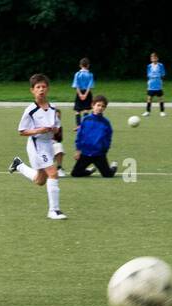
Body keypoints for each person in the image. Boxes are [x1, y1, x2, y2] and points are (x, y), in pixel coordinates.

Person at [7, 74, 67, 219]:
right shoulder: (30, 110)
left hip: (48, 145)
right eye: (38, 87)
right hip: (36, 145)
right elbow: (22, 131)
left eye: (43, 87)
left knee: (40, 181)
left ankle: (19, 165)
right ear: (32, 90)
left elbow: (58, 128)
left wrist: (55, 130)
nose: (41, 90)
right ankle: (54, 210)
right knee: (53, 173)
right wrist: (39, 130)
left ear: (48, 89)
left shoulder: (53, 109)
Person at [69, 96, 117, 177]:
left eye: (103, 106)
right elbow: (80, 136)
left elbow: (108, 138)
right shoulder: (86, 119)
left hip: (99, 154)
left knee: (107, 175)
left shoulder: (106, 122)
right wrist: (78, 150)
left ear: (105, 108)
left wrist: (104, 149)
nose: (100, 108)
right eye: (98, 105)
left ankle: (113, 167)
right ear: (93, 105)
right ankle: (89, 171)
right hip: (85, 153)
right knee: (75, 173)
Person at [71, 58, 94, 129]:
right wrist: (85, 94)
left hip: (79, 92)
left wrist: (80, 94)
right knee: (86, 109)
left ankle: (78, 126)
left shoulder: (77, 74)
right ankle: (85, 126)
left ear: (80, 65)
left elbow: (76, 85)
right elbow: (89, 86)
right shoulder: (90, 75)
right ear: (88, 65)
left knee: (78, 110)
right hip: (87, 93)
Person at [144, 52, 166, 116]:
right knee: (149, 98)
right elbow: (148, 74)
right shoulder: (149, 66)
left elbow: (163, 74)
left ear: (157, 58)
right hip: (151, 84)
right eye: (152, 57)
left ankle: (162, 111)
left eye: (155, 57)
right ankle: (148, 111)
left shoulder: (160, 65)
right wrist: (149, 81)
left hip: (158, 83)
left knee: (160, 98)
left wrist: (160, 80)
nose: (153, 58)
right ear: (151, 59)